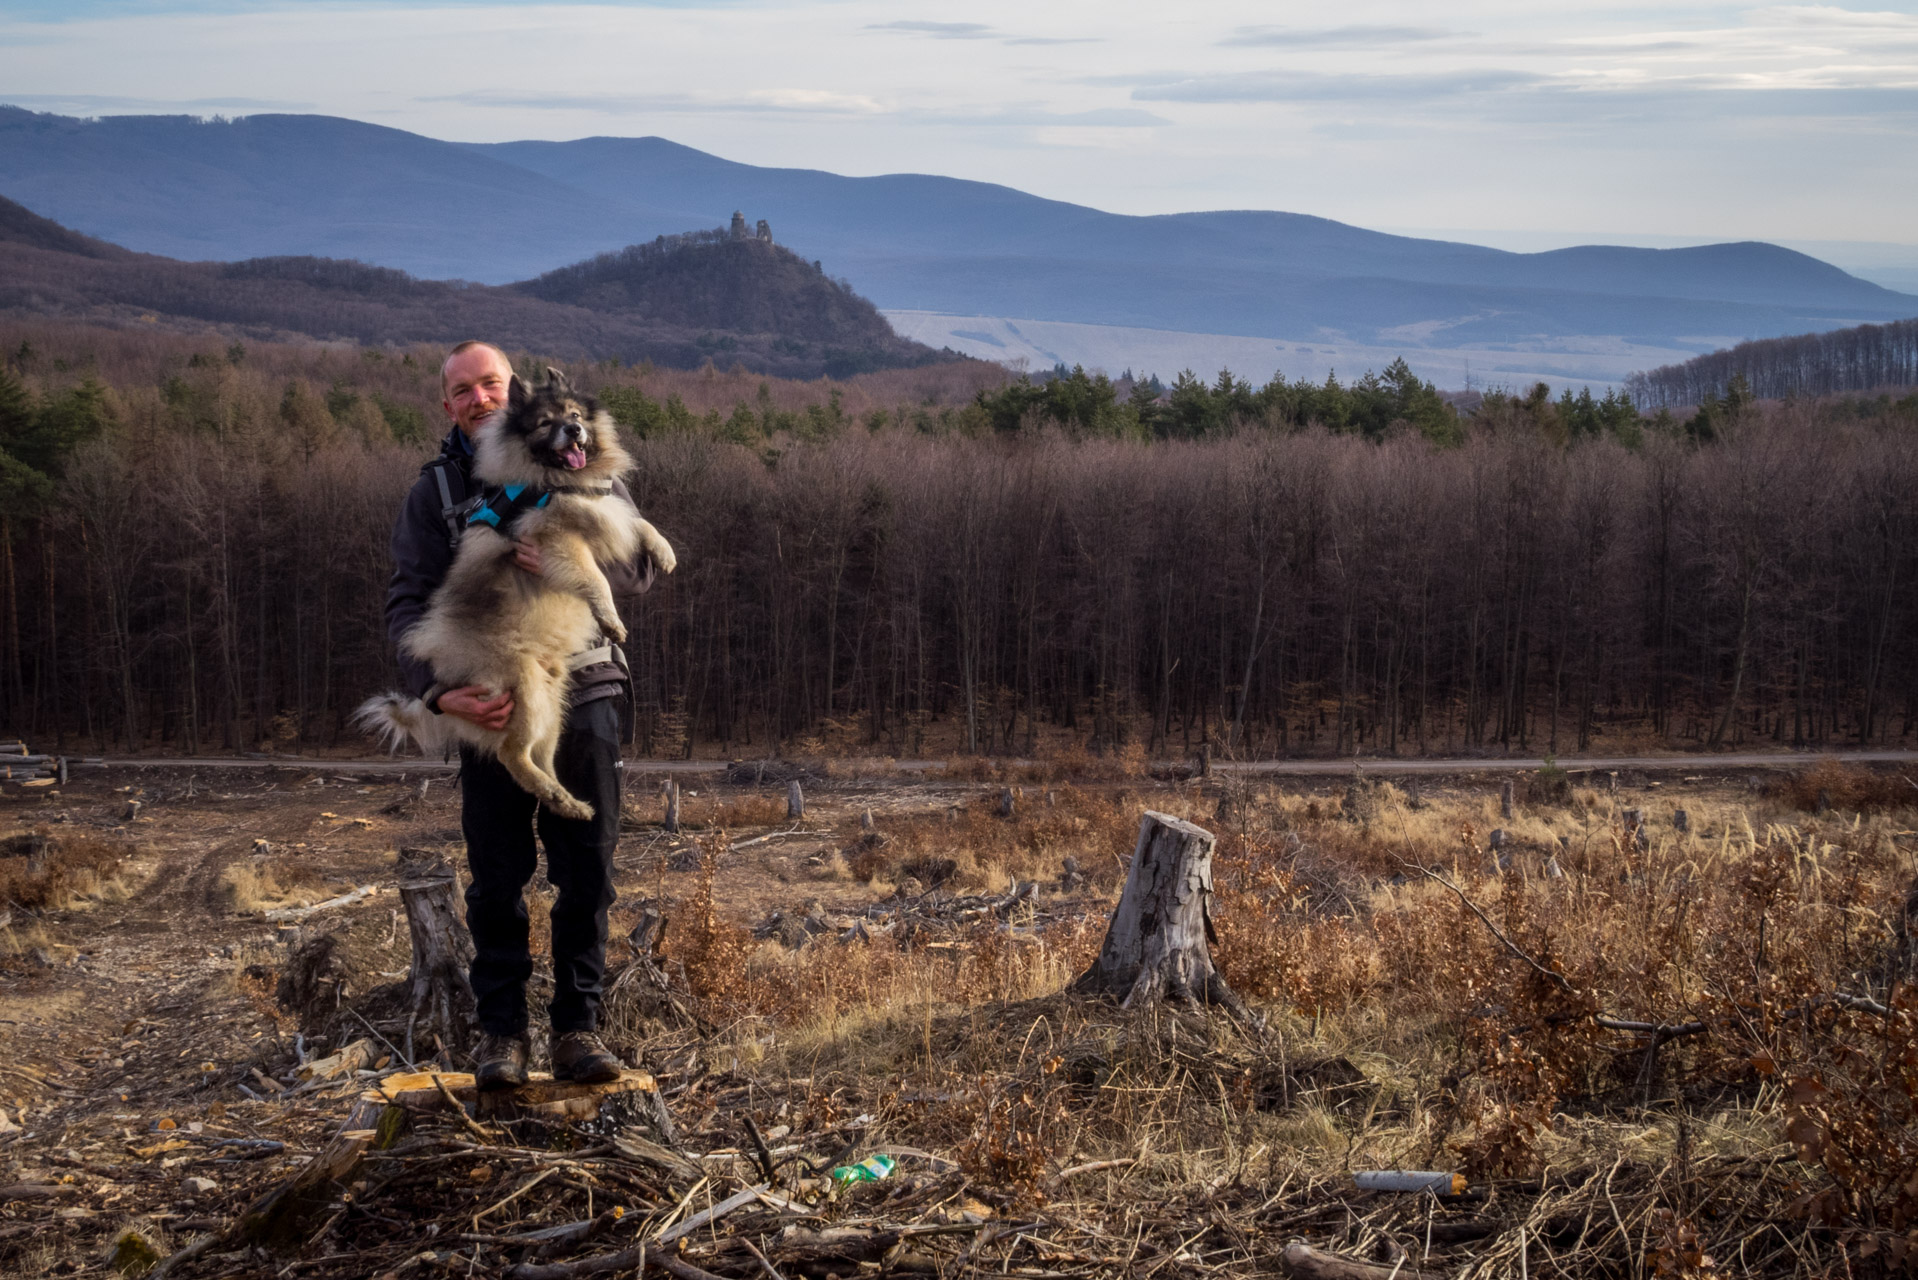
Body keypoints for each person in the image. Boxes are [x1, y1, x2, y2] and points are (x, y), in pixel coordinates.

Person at [384, 340, 657, 1089]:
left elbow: (638, 568)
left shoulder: (579, 463)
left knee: (588, 870)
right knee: (497, 878)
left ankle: (578, 1030)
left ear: (514, 392)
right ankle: (501, 1037)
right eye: (462, 390)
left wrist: (576, 562)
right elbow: (406, 604)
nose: (478, 398)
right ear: (448, 405)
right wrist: (439, 694)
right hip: (489, 694)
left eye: (490, 384)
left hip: (588, 680)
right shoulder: (436, 490)